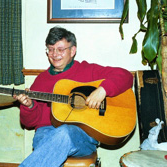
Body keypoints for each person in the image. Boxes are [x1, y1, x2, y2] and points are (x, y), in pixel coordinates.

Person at [13, 26, 133, 167]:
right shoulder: (41, 80)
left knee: (64, 132)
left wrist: (103, 90)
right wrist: (29, 106)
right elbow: (29, 123)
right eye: (50, 49)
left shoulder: (87, 70)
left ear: (73, 50)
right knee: (45, 139)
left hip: (82, 136)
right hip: (46, 132)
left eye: (60, 49)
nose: (54, 54)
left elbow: (125, 76)